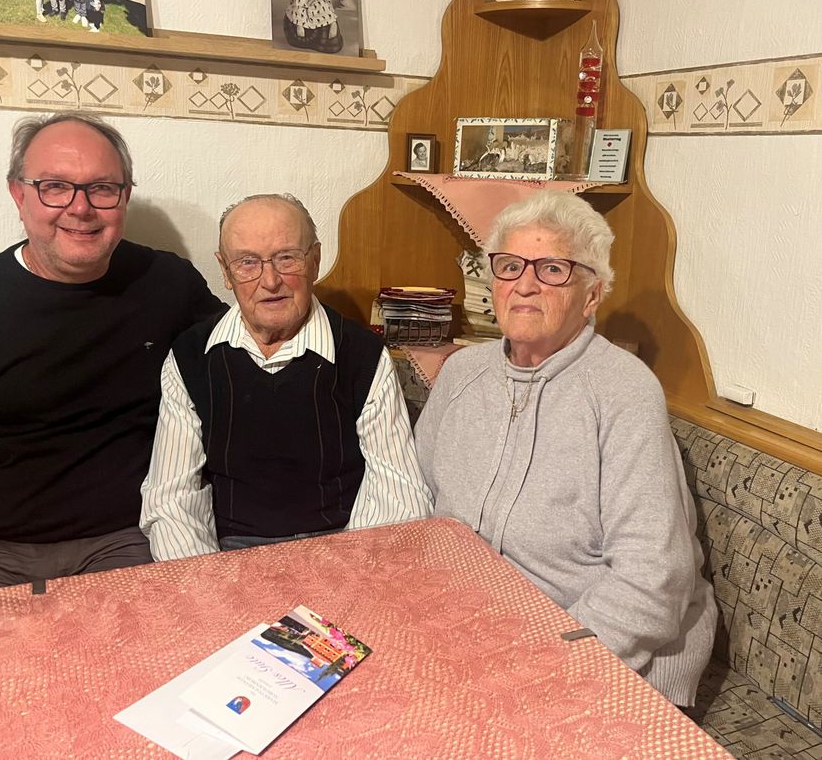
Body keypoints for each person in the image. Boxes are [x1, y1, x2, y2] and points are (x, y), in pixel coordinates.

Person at [415, 191, 716, 707]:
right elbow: (418, 500)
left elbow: (651, 581)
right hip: (474, 626)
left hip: (600, 647)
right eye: (509, 266)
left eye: (552, 268)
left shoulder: (623, 392)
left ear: (592, 295)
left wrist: (545, 661)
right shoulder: (462, 373)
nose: (525, 285)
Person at [0, 112, 224, 591]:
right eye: (55, 187)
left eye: (102, 188)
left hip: (126, 539)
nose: (80, 208)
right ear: (18, 194)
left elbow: (242, 362)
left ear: (125, 196)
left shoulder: (169, 284)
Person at [140, 193, 432, 559]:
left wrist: (353, 577)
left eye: (287, 258)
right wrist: (207, 585)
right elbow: (172, 498)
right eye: (248, 263)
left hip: (338, 549)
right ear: (226, 272)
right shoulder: (191, 357)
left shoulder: (363, 356)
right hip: (229, 556)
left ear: (315, 260)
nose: (271, 280)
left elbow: (398, 492)